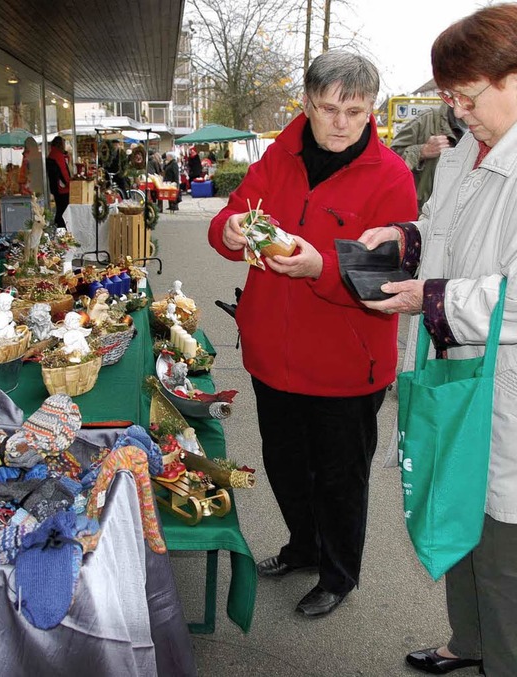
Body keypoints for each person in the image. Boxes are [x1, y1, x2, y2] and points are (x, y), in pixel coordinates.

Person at [208, 50, 416, 618]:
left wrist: (320, 268)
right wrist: (228, 229)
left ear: (371, 108)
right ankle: (303, 546)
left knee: (340, 481)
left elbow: (386, 285)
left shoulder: (391, 177)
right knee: (285, 465)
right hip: (272, 357)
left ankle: (338, 574)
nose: (341, 122)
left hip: (346, 368)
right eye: (328, 108)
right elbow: (228, 222)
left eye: (355, 110)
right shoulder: (278, 156)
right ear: (306, 103)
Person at [358, 5, 517, 675]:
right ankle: (469, 642)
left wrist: (429, 297)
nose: (457, 110)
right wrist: (406, 238)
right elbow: (439, 224)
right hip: (457, 362)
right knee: (456, 504)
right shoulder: (465, 151)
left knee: (504, 545)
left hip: (505, 381)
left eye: (467, 95)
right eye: (448, 95)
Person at [391, 102, 467, 209]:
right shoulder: (426, 120)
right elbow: (390, 162)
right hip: (426, 216)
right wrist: (421, 151)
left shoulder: (492, 127)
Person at [46, 136, 71, 229]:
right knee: (63, 210)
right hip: (62, 188)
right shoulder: (58, 155)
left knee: (60, 208)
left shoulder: (52, 153)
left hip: (56, 187)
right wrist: (69, 183)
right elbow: (63, 171)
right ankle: (62, 228)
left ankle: (59, 226)